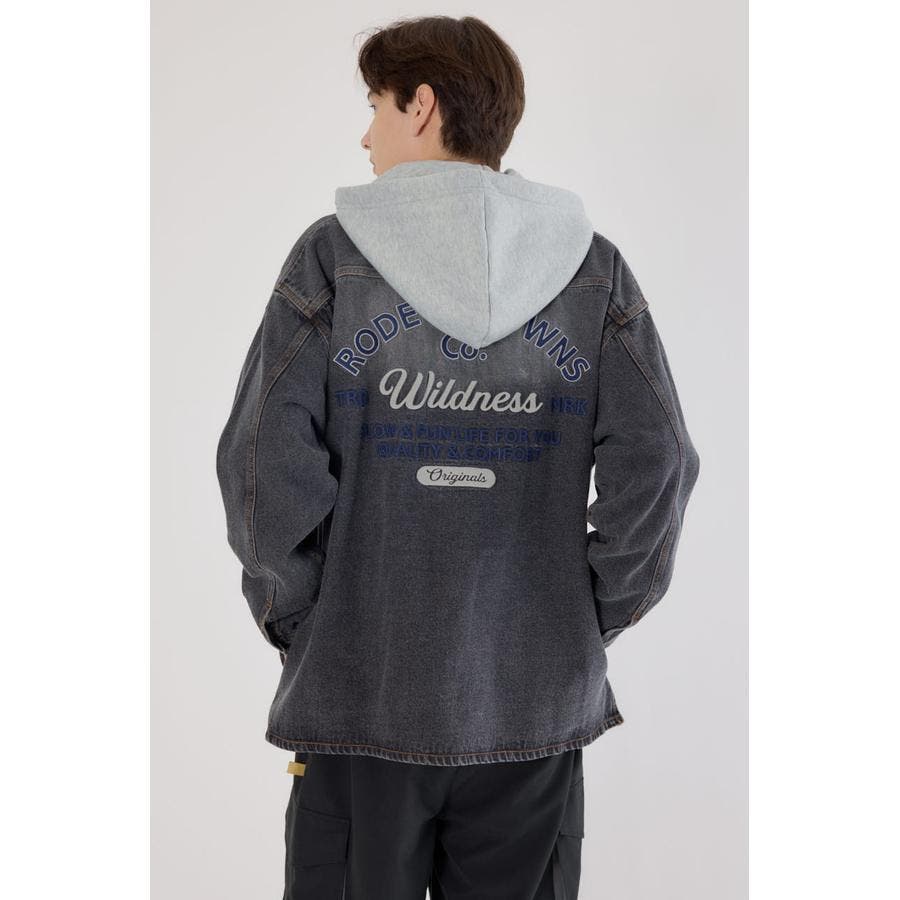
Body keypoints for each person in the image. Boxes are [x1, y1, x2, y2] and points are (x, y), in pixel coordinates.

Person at [215, 14, 699, 900]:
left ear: (422, 106)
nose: (365, 136)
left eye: (375, 106)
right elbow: (660, 462)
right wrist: (575, 622)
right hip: (532, 713)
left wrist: (308, 623)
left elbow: (259, 464)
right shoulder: (592, 269)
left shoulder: (332, 258)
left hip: (359, 702)